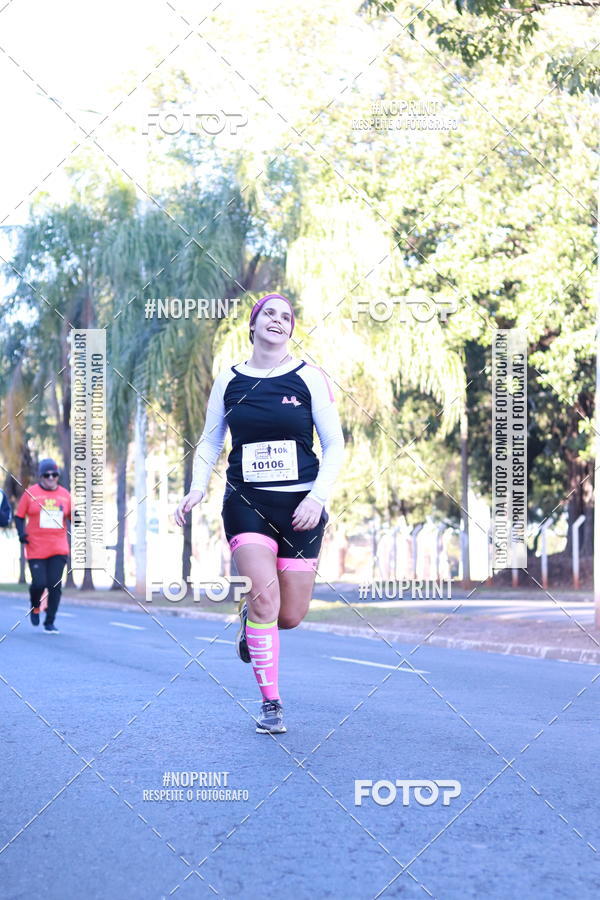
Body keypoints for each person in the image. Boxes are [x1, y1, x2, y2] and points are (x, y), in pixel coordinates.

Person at [175, 293, 345, 734]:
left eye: (286, 316)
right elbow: (212, 441)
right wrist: (196, 490)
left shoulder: (309, 377)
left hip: (301, 508)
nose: (277, 320)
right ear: (252, 325)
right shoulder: (228, 380)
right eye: (269, 313)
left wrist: (317, 498)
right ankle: (271, 704)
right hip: (246, 503)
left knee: (288, 615)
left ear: (291, 329)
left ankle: (251, 620)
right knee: (266, 597)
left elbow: (335, 445)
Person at [15, 458, 71, 633]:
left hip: (58, 547)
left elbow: (72, 516)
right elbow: (19, 515)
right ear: (41, 476)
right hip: (36, 547)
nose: (51, 478)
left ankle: (50, 621)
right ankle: (35, 606)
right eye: (47, 475)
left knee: (55, 585)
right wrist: (21, 533)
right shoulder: (31, 493)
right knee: (39, 583)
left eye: (54, 475)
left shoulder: (65, 494)